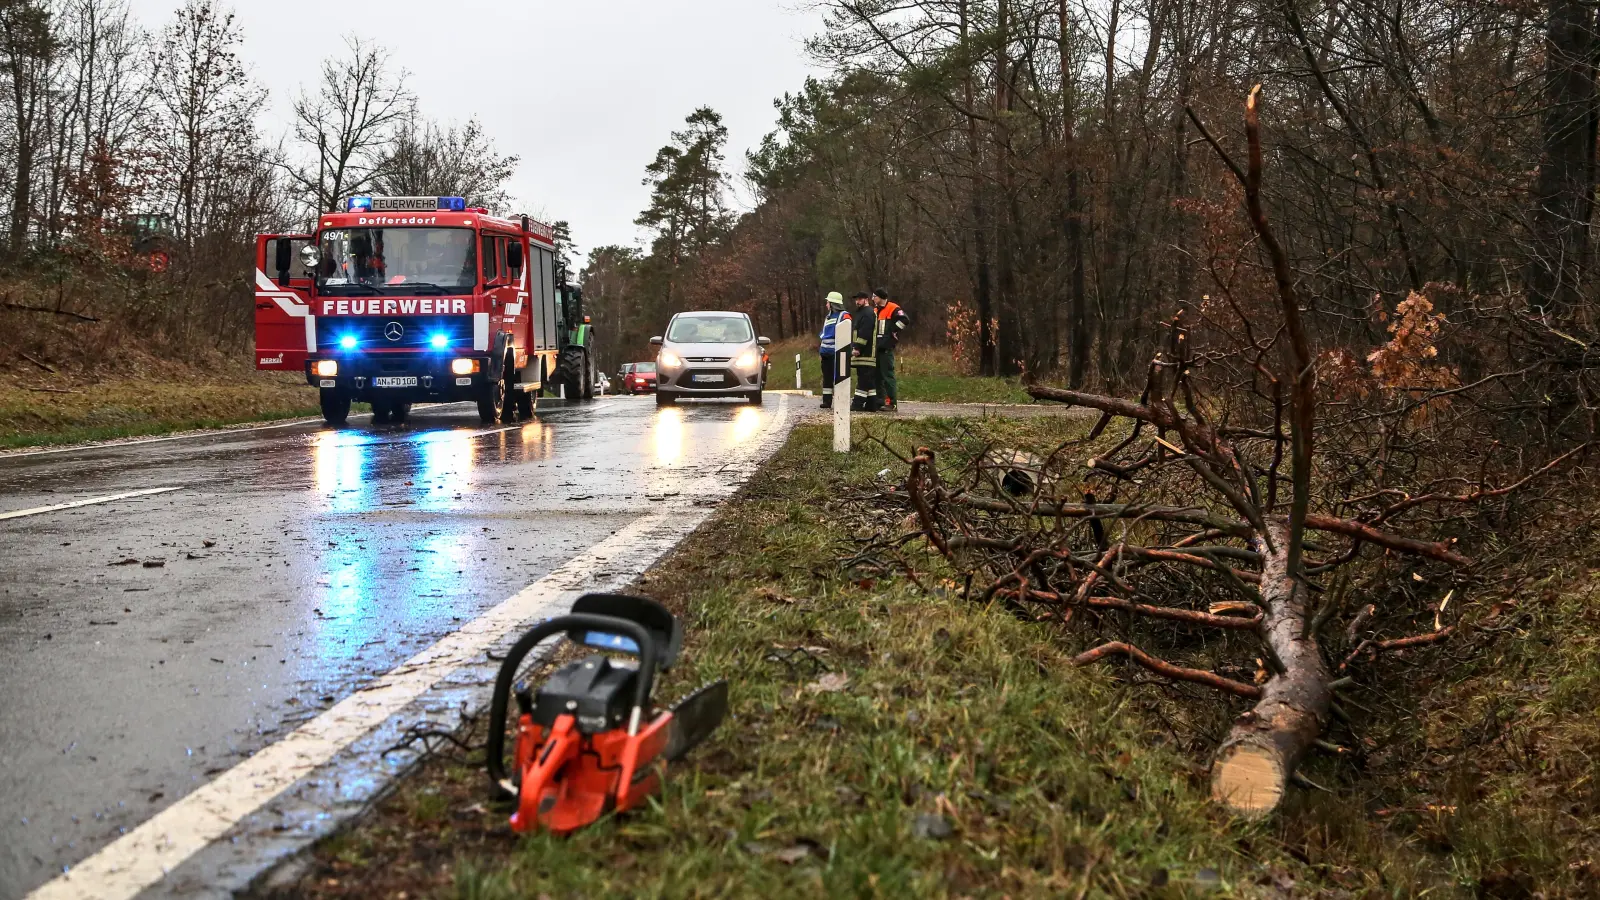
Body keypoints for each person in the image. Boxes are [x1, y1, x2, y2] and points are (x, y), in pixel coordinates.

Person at [873, 288, 909, 411]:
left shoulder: (893, 308)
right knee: (877, 377)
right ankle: (880, 401)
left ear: (881, 297)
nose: (873, 299)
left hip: (886, 348)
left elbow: (905, 320)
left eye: (875, 296)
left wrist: (893, 331)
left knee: (888, 376)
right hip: (876, 348)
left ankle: (891, 403)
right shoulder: (875, 310)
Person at [849, 292, 883, 412]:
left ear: (866, 300)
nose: (857, 302)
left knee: (863, 379)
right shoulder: (862, 313)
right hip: (864, 353)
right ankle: (871, 405)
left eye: (860, 299)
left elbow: (865, 332)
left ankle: (857, 404)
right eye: (856, 300)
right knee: (868, 380)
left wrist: (857, 347)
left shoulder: (868, 313)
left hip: (866, 353)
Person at [817, 291, 851, 409]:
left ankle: (840, 400)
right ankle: (827, 401)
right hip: (825, 353)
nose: (826, 304)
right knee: (827, 378)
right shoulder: (828, 316)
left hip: (837, 353)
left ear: (833, 303)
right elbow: (824, 333)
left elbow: (847, 329)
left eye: (828, 302)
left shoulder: (844, 315)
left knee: (839, 377)